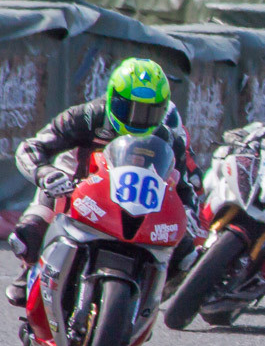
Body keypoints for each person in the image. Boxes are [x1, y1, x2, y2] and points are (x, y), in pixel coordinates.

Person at [6, 58, 200, 307]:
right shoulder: (88, 116)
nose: (138, 120)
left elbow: (185, 187)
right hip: (78, 189)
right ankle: (30, 271)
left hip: (137, 204)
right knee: (28, 234)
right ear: (112, 98)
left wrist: (188, 217)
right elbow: (32, 147)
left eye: (149, 112)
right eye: (128, 108)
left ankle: (147, 296)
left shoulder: (168, 137)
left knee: (186, 255)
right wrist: (45, 173)